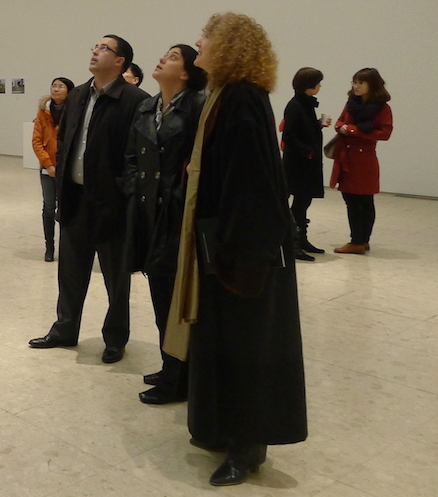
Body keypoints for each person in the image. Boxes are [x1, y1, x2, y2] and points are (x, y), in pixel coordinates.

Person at [165, 13, 308, 486]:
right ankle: (220, 427)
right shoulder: (225, 95)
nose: (199, 42)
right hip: (222, 239)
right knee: (221, 340)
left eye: (207, 37)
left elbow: (252, 181)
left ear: (228, 46)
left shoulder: (242, 96)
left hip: (244, 248)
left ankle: (247, 448)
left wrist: (238, 252)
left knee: (247, 346)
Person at [27, 35, 149, 364]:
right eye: (95, 47)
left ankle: (115, 338)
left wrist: (124, 194)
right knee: (70, 272)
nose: (95, 51)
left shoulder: (136, 100)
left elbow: (137, 155)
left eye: (104, 48)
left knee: (116, 277)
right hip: (76, 197)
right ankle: (65, 329)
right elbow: (65, 142)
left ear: (120, 61)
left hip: (112, 203)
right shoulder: (78, 95)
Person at [123, 44, 207, 404]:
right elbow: (130, 157)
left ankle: (179, 376)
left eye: (173, 57)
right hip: (148, 213)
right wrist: (134, 189)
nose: (162, 59)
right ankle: (170, 366)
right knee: (160, 294)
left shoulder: (198, 107)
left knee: (176, 300)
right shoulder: (147, 107)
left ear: (186, 73)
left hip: (178, 216)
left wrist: (175, 195)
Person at [329, 68, 393, 254]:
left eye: (360, 83)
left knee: (363, 200)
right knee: (352, 198)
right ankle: (360, 240)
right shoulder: (351, 102)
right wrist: (342, 127)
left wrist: (354, 130)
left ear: (371, 85)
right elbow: (340, 122)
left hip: (364, 159)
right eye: (354, 82)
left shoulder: (382, 108)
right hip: (347, 157)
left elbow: (385, 133)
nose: (355, 86)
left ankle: (358, 241)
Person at [282, 67, 331, 262]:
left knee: (303, 201)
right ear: (308, 85)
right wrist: (308, 152)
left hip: (307, 162)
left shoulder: (306, 104)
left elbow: (302, 129)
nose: (320, 86)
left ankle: (301, 240)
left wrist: (317, 125)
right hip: (298, 163)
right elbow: (289, 135)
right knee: (299, 202)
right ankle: (293, 243)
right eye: (318, 83)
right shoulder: (295, 105)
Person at [32, 77, 75, 262]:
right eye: (54, 86)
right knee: (49, 207)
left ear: (69, 91)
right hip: (47, 169)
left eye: (61, 86)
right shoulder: (43, 113)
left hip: (67, 169)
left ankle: (67, 248)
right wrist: (48, 164)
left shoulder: (74, 112)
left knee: (66, 208)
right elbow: (36, 141)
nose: (56, 89)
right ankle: (49, 247)